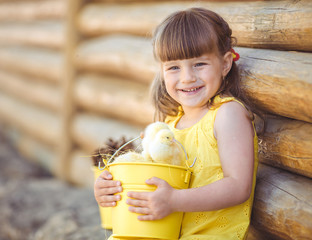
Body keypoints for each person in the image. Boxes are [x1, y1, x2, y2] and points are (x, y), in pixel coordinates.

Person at [94, 7, 259, 240]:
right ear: (162, 71)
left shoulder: (227, 114)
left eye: (199, 64)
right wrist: (111, 189)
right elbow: (150, 180)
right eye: (174, 67)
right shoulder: (169, 125)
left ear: (225, 64)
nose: (187, 77)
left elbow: (238, 186)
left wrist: (174, 201)